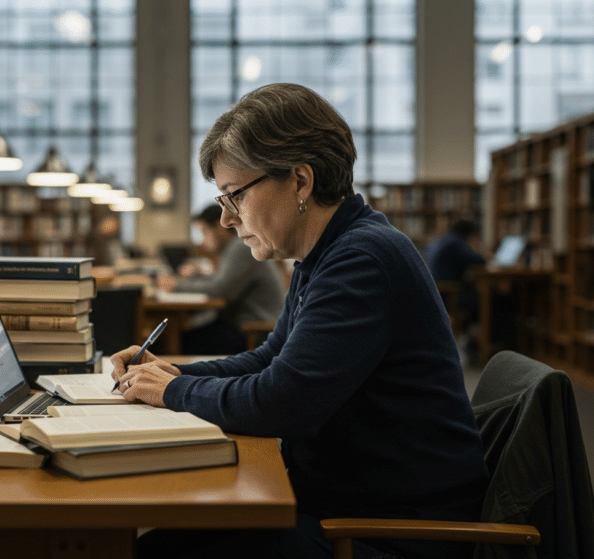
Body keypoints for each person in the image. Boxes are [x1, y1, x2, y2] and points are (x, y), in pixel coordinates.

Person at [109, 83, 489, 559]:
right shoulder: (327, 253)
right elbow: (272, 359)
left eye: (235, 196)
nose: (226, 220)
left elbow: (280, 402)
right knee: (157, 545)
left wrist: (171, 391)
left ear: (301, 182)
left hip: (391, 533)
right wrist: (170, 374)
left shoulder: (361, 260)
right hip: (346, 506)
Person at [157, 204, 286, 355]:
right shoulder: (233, 248)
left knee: (175, 341)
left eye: (204, 232)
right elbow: (217, 281)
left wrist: (175, 285)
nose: (202, 241)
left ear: (219, 227)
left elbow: (220, 290)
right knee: (179, 335)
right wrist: (188, 279)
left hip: (254, 331)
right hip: (245, 325)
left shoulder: (241, 248)